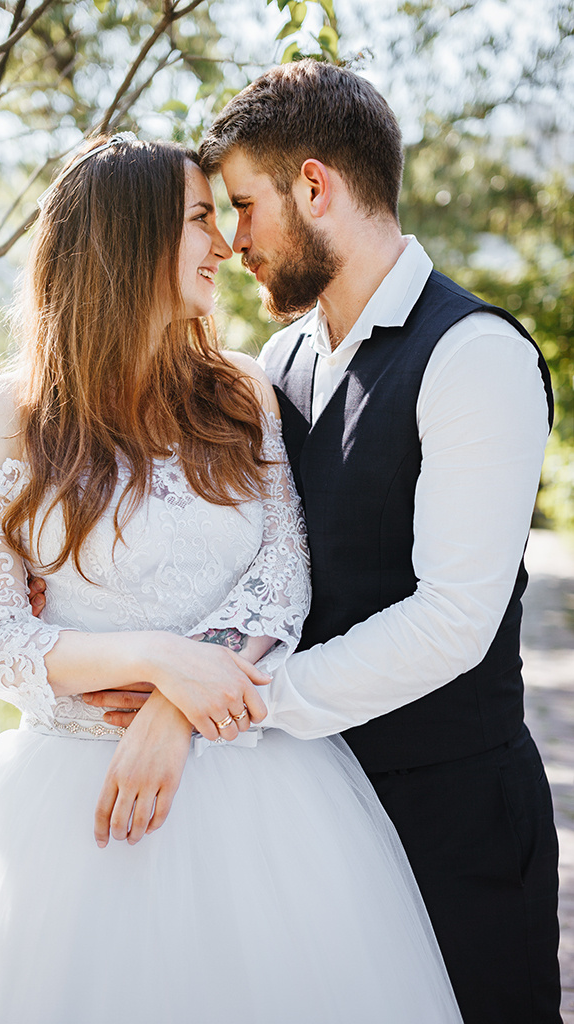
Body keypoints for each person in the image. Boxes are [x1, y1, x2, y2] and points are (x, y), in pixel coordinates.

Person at [0, 135, 463, 1023]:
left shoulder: (241, 391)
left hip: (261, 788)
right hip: (67, 799)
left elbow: (282, 576)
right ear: (130, 239)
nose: (226, 245)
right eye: (201, 219)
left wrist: (177, 707)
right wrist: (161, 659)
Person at [198, 58, 561, 1024]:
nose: (233, 243)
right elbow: (243, 555)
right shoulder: (281, 359)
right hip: (301, 817)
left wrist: (248, 704)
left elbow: (451, 622)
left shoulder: (474, 355)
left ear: (314, 187)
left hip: (450, 831)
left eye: (245, 206)